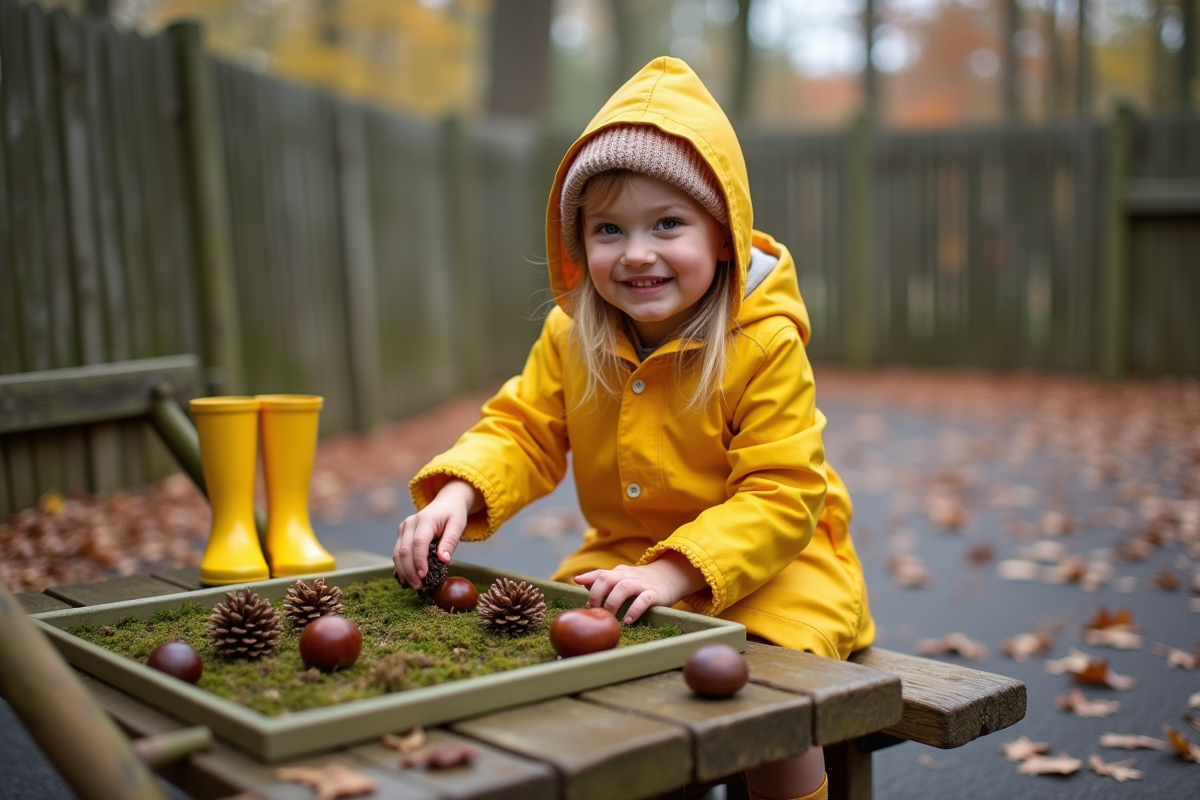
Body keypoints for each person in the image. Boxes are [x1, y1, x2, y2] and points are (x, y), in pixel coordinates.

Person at [393, 57, 874, 800]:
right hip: (627, 555)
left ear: (723, 236)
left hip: (776, 566)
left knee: (770, 697)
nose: (637, 253)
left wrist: (671, 574)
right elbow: (521, 430)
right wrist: (457, 492)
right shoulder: (571, 335)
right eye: (609, 228)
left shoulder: (762, 343)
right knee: (561, 667)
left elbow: (782, 493)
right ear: (578, 242)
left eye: (668, 224)